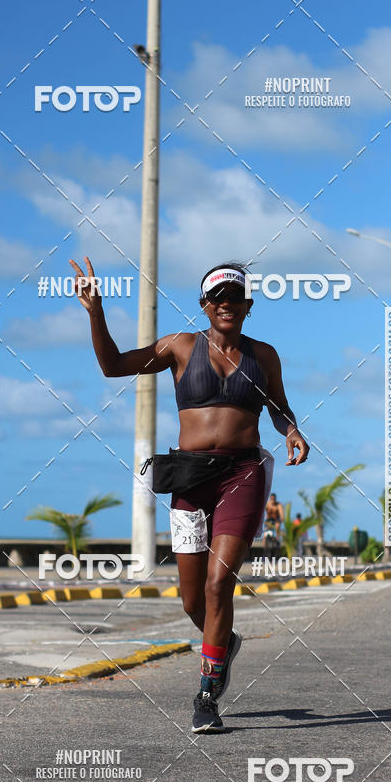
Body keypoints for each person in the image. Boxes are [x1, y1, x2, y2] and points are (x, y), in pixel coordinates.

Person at [70, 257, 309, 733]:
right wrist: (95, 312)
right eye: (217, 299)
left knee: (220, 585)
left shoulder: (264, 356)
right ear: (204, 306)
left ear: (248, 306)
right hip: (189, 478)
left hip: (242, 473)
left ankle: (206, 694)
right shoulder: (179, 347)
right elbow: (113, 366)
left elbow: (279, 408)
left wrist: (292, 429)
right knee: (191, 601)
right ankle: (224, 643)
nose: (227, 306)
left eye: (235, 298)